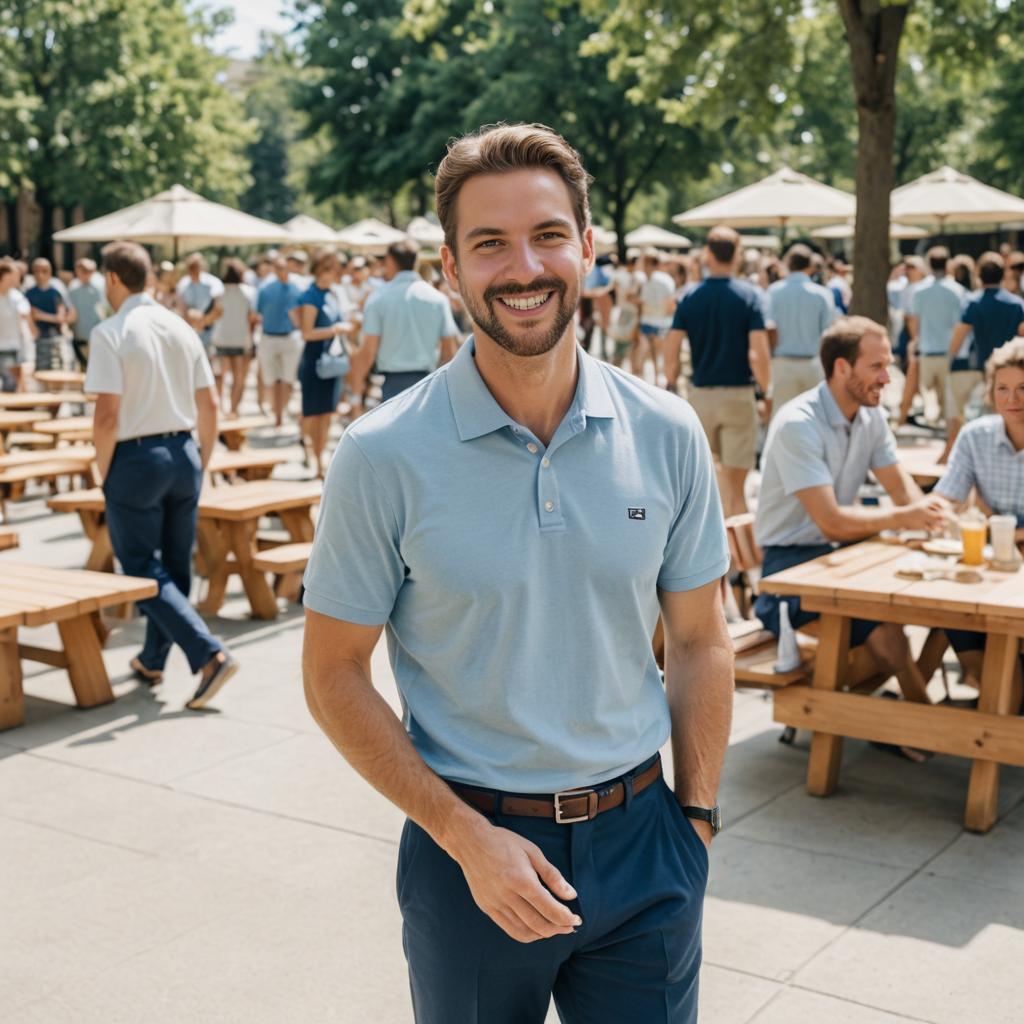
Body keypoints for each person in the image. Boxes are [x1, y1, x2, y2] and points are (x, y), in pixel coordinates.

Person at [303, 123, 732, 1024]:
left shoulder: (667, 430)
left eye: (546, 235)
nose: (522, 267)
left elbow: (699, 639)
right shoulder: (382, 454)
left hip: (645, 843)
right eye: (488, 243)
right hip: (469, 850)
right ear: (451, 272)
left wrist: (694, 821)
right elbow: (333, 673)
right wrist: (461, 836)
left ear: (586, 248)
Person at [754, 316, 948, 758]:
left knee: (930, 614)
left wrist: (937, 524)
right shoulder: (798, 423)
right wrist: (906, 516)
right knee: (885, 632)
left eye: (889, 364)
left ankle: (910, 722)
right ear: (842, 369)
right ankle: (925, 727)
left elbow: (903, 490)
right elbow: (832, 522)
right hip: (788, 571)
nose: (888, 377)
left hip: (838, 559)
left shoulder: (870, 417)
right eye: (877, 366)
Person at [85, 241, 238, 709]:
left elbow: (107, 415)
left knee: (140, 567)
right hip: (184, 450)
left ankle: (208, 654)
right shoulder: (181, 326)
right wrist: (202, 457)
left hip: (136, 456)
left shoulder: (111, 330)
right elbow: (209, 404)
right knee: (173, 567)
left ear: (112, 278)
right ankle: (153, 658)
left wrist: (103, 469)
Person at [932, 338, 1024, 692]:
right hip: (990, 561)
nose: (1012, 399)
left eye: (1021, 389)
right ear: (991, 392)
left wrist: (998, 527)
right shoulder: (975, 437)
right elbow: (945, 498)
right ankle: (991, 687)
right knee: (949, 603)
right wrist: (932, 514)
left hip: (1003, 555)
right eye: (1003, 389)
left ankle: (998, 694)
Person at [664, 225, 771, 518]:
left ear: (707, 255)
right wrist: (766, 389)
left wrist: (670, 382)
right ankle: (736, 557)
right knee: (736, 486)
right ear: (737, 255)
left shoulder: (689, 296)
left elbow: (670, 348)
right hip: (738, 393)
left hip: (700, 396)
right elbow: (758, 353)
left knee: (702, 482)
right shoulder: (750, 296)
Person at [349, 240, 460, 403]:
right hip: (428, 382)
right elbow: (449, 350)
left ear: (391, 262)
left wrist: (355, 389)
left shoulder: (378, 298)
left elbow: (368, 351)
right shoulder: (437, 299)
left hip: (394, 385)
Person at [945, 251, 1024, 453]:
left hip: (984, 365)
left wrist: (949, 359)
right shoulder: (1016, 304)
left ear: (979, 276)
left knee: (990, 408)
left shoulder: (973, 302)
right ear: (1002, 274)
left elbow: (960, 334)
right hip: (1014, 365)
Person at [296, 249, 355, 477]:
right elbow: (307, 333)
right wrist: (335, 329)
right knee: (313, 412)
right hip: (315, 359)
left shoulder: (333, 294)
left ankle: (320, 461)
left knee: (327, 413)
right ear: (322, 270)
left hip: (332, 359)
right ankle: (314, 458)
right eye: (332, 268)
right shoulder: (311, 295)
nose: (336, 273)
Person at [766, 243, 836, 415]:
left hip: (782, 364)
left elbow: (769, 328)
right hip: (812, 364)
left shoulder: (773, 292)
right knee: (815, 418)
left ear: (788, 263)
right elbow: (828, 332)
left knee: (780, 417)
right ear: (810, 265)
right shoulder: (822, 294)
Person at [902, 246, 965, 427]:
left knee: (926, 394)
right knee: (947, 401)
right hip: (950, 352)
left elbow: (914, 321)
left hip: (927, 350)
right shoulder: (957, 291)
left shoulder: (919, 291)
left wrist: (916, 341)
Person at [256, 256, 304, 427]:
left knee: (287, 379)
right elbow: (258, 312)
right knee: (273, 379)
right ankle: (277, 413)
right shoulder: (266, 289)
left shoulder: (297, 289)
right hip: (270, 337)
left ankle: (279, 413)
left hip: (290, 337)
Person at [214, 258, 259, 417]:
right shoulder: (249, 292)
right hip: (241, 339)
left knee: (220, 375)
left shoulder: (219, 292)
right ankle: (233, 409)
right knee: (239, 378)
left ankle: (220, 408)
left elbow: (216, 314)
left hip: (221, 338)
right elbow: (252, 317)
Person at [635, 250, 674, 382]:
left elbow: (669, 304)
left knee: (655, 353)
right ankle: (656, 379)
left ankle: (658, 379)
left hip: (657, 321)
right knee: (653, 353)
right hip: (653, 321)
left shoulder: (660, 280)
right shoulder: (647, 280)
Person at [25, 257, 68, 371]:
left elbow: (61, 318)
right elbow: (29, 316)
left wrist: (40, 315)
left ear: (50, 272)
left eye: (44, 271)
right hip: (38, 340)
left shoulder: (55, 293)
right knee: (41, 371)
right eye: (37, 271)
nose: (40, 275)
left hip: (56, 338)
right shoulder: (29, 294)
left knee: (57, 370)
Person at [66, 258, 108, 371]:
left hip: (97, 336)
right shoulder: (73, 287)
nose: (85, 274)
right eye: (82, 270)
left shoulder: (101, 286)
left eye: (88, 271)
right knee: (84, 369)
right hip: (80, 335)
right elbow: (70, 311)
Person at [0, 259, 32, 391]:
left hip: (11, 348)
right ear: (6, 275)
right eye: (15, 274)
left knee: (9, 385)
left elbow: (25, 317)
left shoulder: (17, 297)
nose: (18, 277)